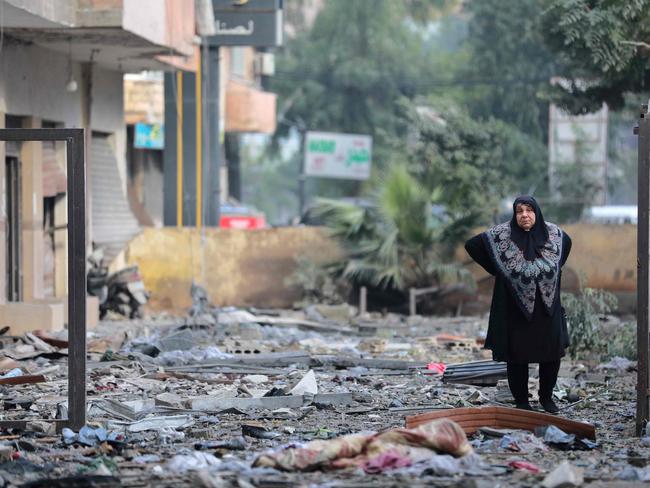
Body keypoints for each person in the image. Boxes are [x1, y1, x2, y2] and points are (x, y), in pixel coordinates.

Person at [464, 196, 572, 413]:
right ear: (514, 215)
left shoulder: (555, 235)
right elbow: (472, 245)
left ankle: (546, 399)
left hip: (547, 308)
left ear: (537, 213)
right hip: (515, 310)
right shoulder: (501, 235)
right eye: (519, 211)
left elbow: (566, 249)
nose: (524, 215)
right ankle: (522, 401)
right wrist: (497, 268)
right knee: (517, 356)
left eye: (529, 210)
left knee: (550, 355)